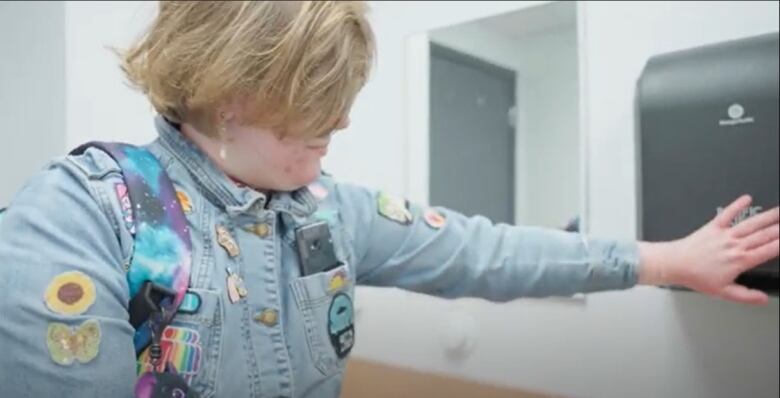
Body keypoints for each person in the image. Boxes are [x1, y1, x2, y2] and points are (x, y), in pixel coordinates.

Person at [0, 2, 777, 397]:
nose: (340, 121)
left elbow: (484, 251)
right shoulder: (79, 219)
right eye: (317, 105)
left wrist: (663, 261)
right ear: (231, 94)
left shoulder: (327, 211)